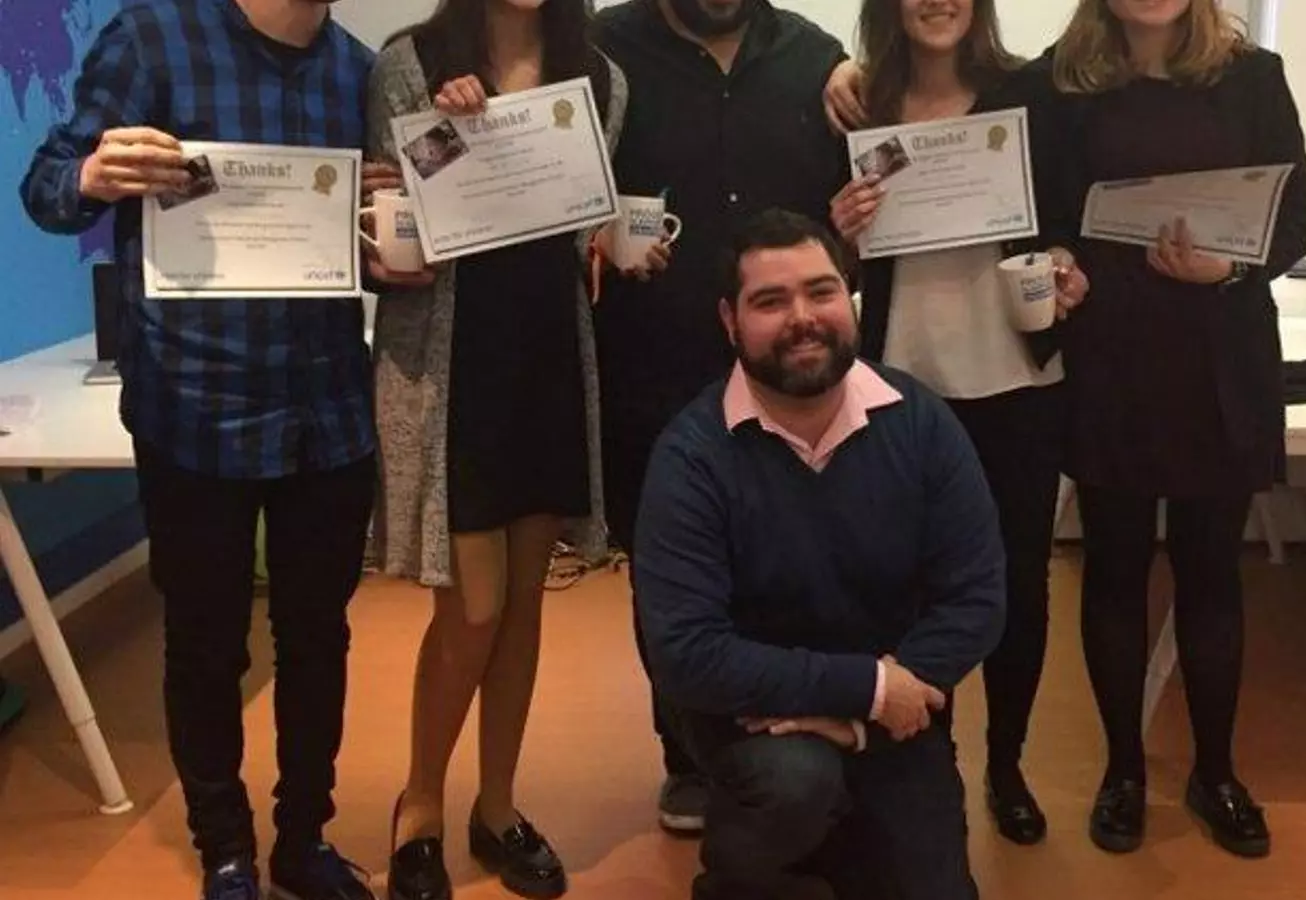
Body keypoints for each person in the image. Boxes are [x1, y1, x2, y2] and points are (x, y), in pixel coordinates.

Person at [19, 2, 387, 899]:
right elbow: (46, 187)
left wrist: (384, 236)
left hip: (328, 409)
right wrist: (94, 174)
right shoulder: (153, 38)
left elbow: (359, 234)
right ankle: (225, 848)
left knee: (319, 641)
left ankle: (303, 838)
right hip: (194, 408)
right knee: (204, 646)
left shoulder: (359, 70)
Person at [632, 209, 1005, 900]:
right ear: (730, 321)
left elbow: (976, 598)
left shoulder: (921, 421)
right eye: (770, 301)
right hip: (753, 719)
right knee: (794, 783)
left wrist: (867, 713)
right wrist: (866, 687)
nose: (802, 317)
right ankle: (742, 879)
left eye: (821, 291)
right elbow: (685, 652)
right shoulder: (691, 457)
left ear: (849, 296)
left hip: (896, 716)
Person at [1031, 0, 1306, 859]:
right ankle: (1123, 771)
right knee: (1114, 568)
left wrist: (1229, 266)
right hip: (1111, 351)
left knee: (1211, 573)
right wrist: (1059, 260)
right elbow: (1043, 212)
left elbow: (1296, 219)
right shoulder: (1061, 80)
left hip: (1219, 355)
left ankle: (1216, 773)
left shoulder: (1253, 77)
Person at [362, 1, 633, 898]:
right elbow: (393, 224)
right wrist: (447, 135)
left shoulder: (600, 78)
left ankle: (498, 807)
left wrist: (616, 242)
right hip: (455, 369)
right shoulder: (412, 64)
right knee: (472, 610)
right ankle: (420, 804)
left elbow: (584, 223)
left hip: (548, 361)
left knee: (522, 606)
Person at [590, 0, 858, 833]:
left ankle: (796, 739)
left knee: (791, 561)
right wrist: (592, 232)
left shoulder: (816, 59)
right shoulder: (603, 51)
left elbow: (859, 201)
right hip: (650, 370)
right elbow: (550, 189)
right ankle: (691, 759)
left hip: (790, 377)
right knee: (667, 580)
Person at [827, 0, 1090, 846]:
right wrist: (843, 234)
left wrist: (1067, 264)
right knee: (901, 585)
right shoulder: (861, 105)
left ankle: (1006, 766)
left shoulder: (1033, 96)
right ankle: (919, 760)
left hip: (1018, 380)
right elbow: (832, 263)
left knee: (1016, 584)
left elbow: (1069, 220)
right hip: (900, 384)